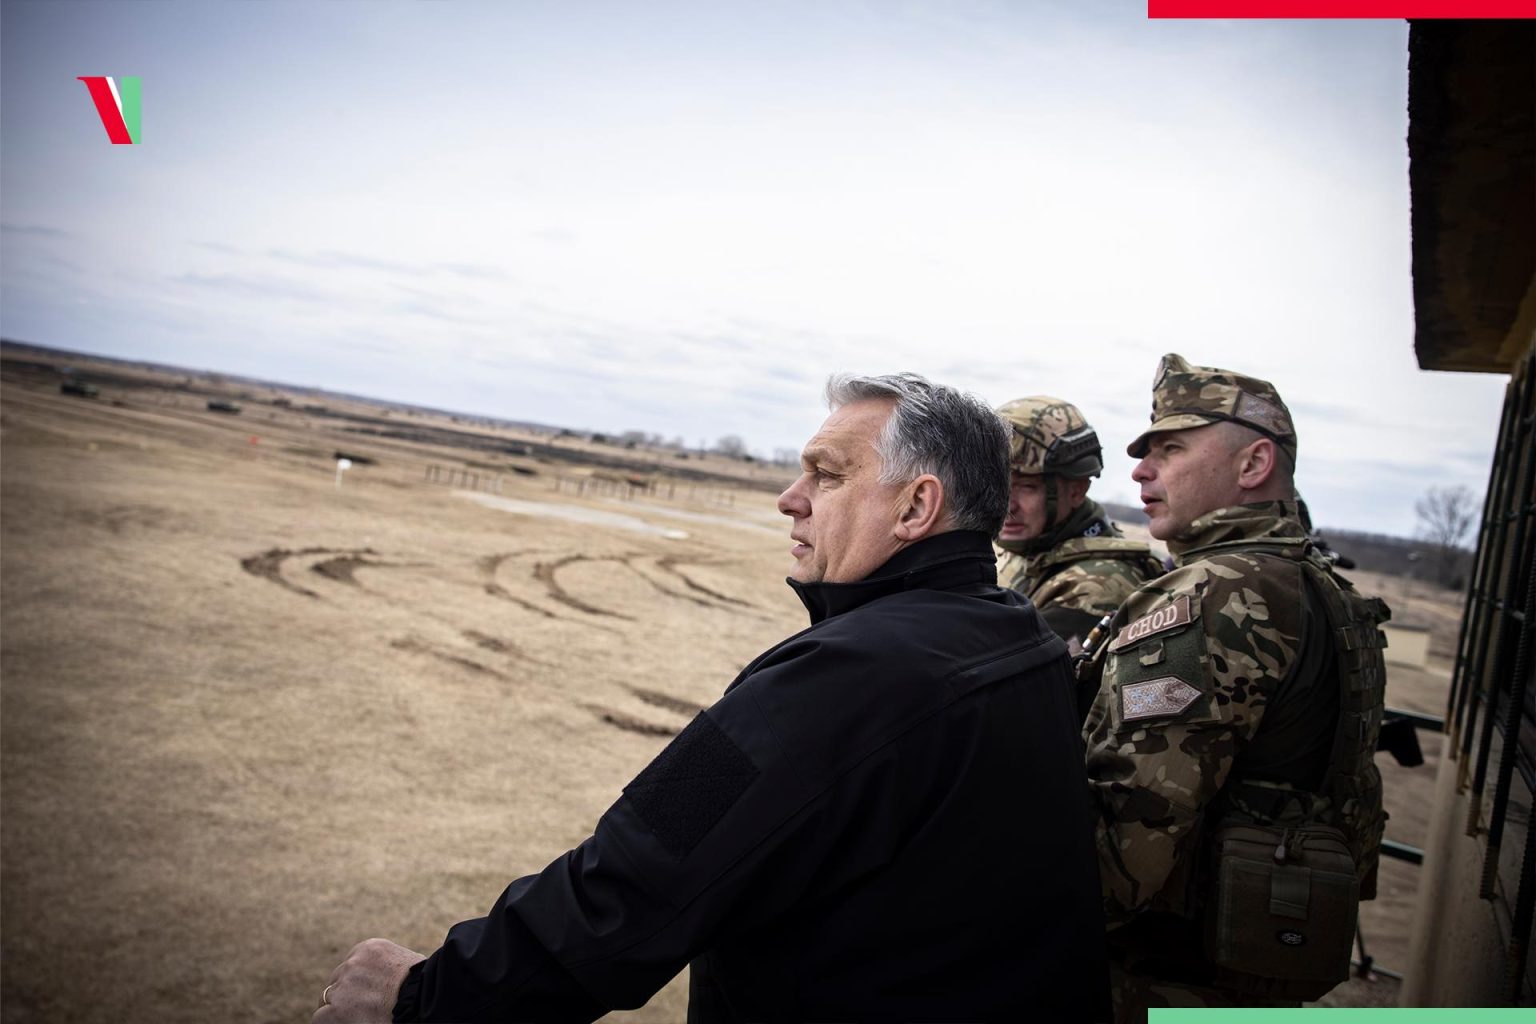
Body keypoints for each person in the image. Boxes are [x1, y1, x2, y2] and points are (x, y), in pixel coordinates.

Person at [315, 372, 1110, 1023]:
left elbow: (633, 878)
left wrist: (425, 998)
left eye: (828, 474)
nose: (790, 497)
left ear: (915, 507)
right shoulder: (1023, 640)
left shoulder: (845, 675)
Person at [1078, 354, 1389, 1022]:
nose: (1141, 470)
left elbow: (1118, 862)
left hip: (1155, 983)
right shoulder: (1320, 587)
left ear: (1253, 464)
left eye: (1171, 449)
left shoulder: (1217, 593)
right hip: (1241, 974)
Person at [993, 396, 1161, 712]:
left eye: (1026, 487)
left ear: (1076, 490)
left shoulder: (1096, 584)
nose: (1007, 504)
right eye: (1001, 484)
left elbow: (1010, 700)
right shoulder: (1034, 550)